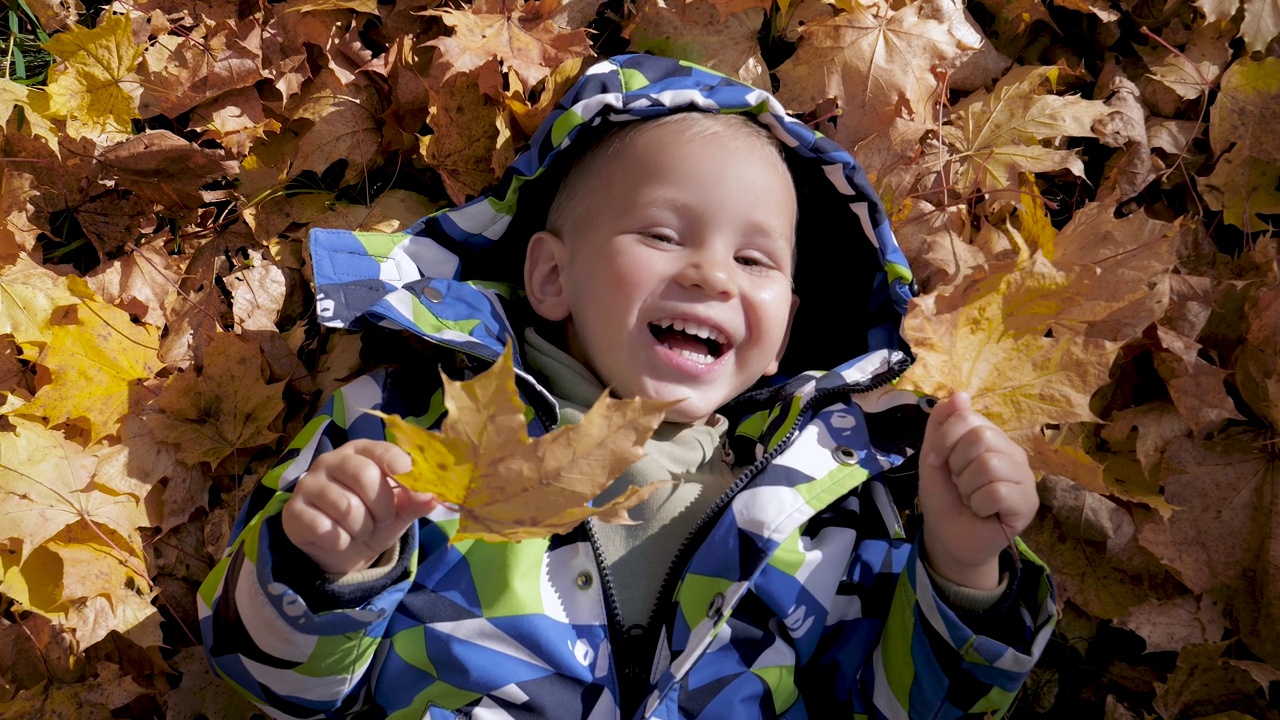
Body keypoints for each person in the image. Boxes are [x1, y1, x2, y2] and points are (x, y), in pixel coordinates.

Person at [199, 53, 1057, 720]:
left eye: (753, 260)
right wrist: (325, 572)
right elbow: (271, 682)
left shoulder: (833, 506)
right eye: (661, 234)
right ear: (550, 278)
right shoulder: (414, 429)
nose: (714, 277)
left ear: (786, 329)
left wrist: (963, 566)